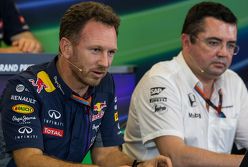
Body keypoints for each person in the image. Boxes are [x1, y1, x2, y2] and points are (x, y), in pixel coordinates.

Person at [0, 1, 172, 167]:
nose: (105, 63)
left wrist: (139, 165)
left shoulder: (104, 83)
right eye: (95, 50)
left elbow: (106, 154)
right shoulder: (25, 88)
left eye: (111, 52)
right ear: (66, 48)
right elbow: (29, 161)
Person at [123, 1, 248, 167]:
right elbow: (176, 157)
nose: (224, 53)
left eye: (230, 45)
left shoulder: (233, 82)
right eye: (213, 42)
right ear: (187, 42)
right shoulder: (160, 80)